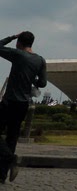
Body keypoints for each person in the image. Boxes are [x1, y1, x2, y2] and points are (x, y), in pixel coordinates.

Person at [0, 31, 47, 184]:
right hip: (23, 104)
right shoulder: (40, 60)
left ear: (19, 43)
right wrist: (30, 78)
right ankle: (2, 175)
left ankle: (10, 158)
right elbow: (42, 83)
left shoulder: (18, 54)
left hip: (9, 101)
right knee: (12, 137)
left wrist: (11, 36)